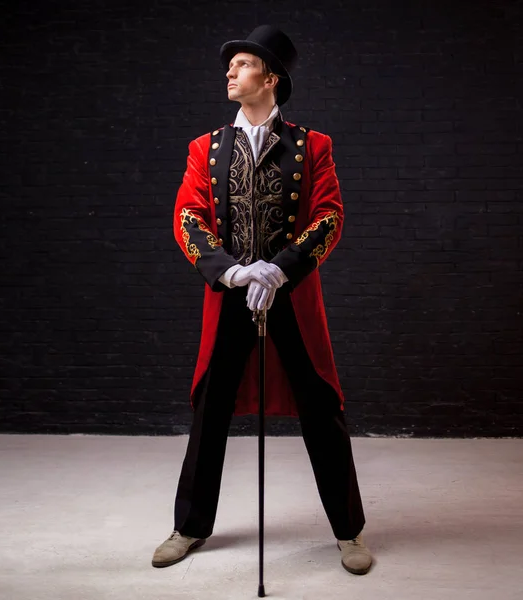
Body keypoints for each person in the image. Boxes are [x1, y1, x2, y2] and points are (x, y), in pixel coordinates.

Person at [152, 25, 373, 576]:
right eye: (231, 66)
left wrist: (279, 268)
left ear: (270, 78)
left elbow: (329, 215)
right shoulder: (204, 149)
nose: (230, 72)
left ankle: (349, 531)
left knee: (321, 409)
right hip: (229, 295)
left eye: (243, 64)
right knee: (210, 411)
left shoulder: (313, 146)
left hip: (290, 295)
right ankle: (189, 526)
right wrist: (230, 272)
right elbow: (188, 218)